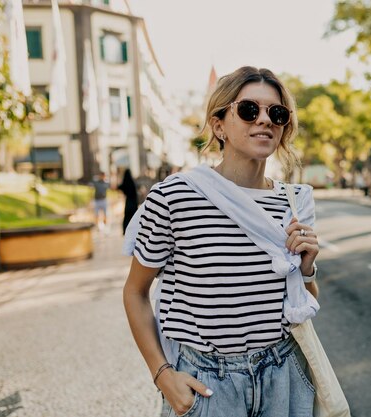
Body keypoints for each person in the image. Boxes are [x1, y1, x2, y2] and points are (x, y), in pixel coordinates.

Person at [122, 66, 321, 417]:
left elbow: (304, 304)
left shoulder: (295, 201)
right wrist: (162, 374)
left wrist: (306, 270)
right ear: (218, 126)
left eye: (277, 113)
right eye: (248, 110)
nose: (264, 120)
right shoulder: (175, 195)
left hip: (283, 373)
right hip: (208, 383)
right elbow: (135, 292)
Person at [117, 168, 139, 234]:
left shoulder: (125, 182)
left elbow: (119, 187)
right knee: (134, 217)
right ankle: (135, 230)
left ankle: (125, 230)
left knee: (127, 217)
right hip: (134, 202)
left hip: (128, 202)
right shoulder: (132, 182)